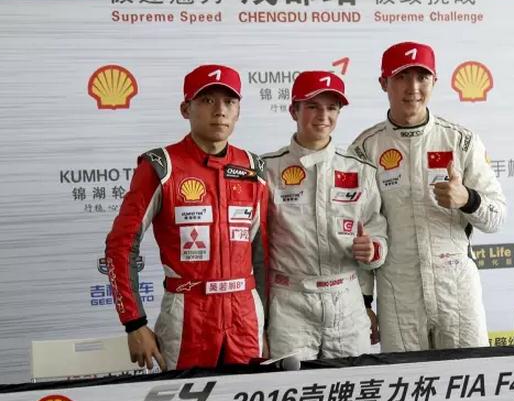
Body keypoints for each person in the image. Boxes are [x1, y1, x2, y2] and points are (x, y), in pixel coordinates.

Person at [105, 64, 269, 371]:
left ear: (238, 111)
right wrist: (134, 323)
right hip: (188, 314)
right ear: (185, 109)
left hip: (246, 315)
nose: (220, 110)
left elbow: (262, 254)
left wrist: (267, 323)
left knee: (247, 396)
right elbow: (121, 244)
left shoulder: (253, 168)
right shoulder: (161, 166)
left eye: (229, 101)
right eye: (207, 100)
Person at [351, 42, 507, 352]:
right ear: (383, 82)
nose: (413, 88)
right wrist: (364, 302)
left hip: (457, 289)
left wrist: (468, 199)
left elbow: (497, 217)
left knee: (470, 376)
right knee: (405, 381)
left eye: (422, 77)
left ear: (434, 81)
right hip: (398, 292)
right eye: (401, 77)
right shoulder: (365, 149)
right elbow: (359, 231)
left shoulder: (460, 141)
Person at [260, 71, 387, 360]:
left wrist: (374, 249)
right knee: (289, 385)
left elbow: (377, 230)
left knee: (353, 383)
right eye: (312, 106)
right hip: (289, 302)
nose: (323, 116)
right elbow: (255, 248)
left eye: (332, 108)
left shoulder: (360, 170)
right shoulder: (267, 169)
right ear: (293, 111)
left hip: (347, 300)